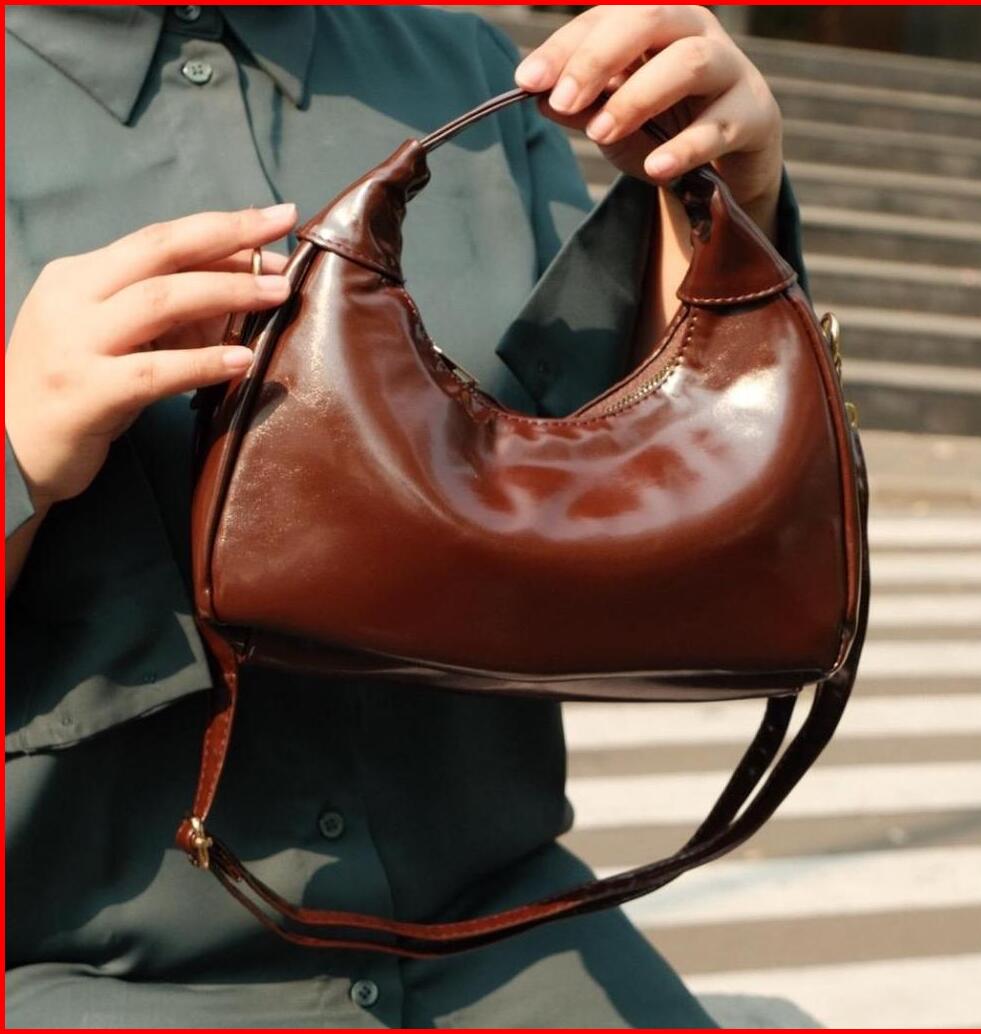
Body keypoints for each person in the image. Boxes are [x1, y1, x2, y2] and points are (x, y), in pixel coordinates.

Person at [5, 5, 807, 1028]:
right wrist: (18, 454)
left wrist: (724, 218)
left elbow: (624, 497)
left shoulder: (473, 70)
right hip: (78, 972)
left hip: (507, 933)